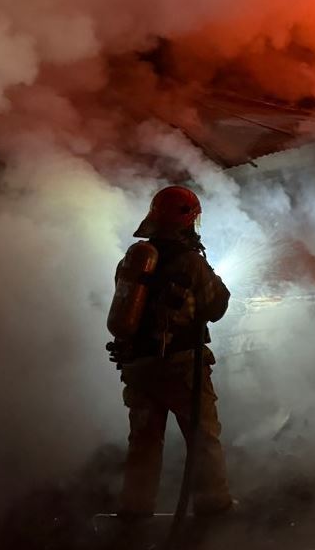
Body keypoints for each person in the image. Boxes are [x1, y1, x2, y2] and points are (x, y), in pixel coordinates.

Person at [111, 185, 233, 518]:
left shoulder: (134, 258)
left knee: (144, 443)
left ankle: (134, 513)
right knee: (203, 438)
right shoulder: (190, 262)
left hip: (139, 367)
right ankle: (214, 509)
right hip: (180, 368)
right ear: (189, 220)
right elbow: (217, 305)